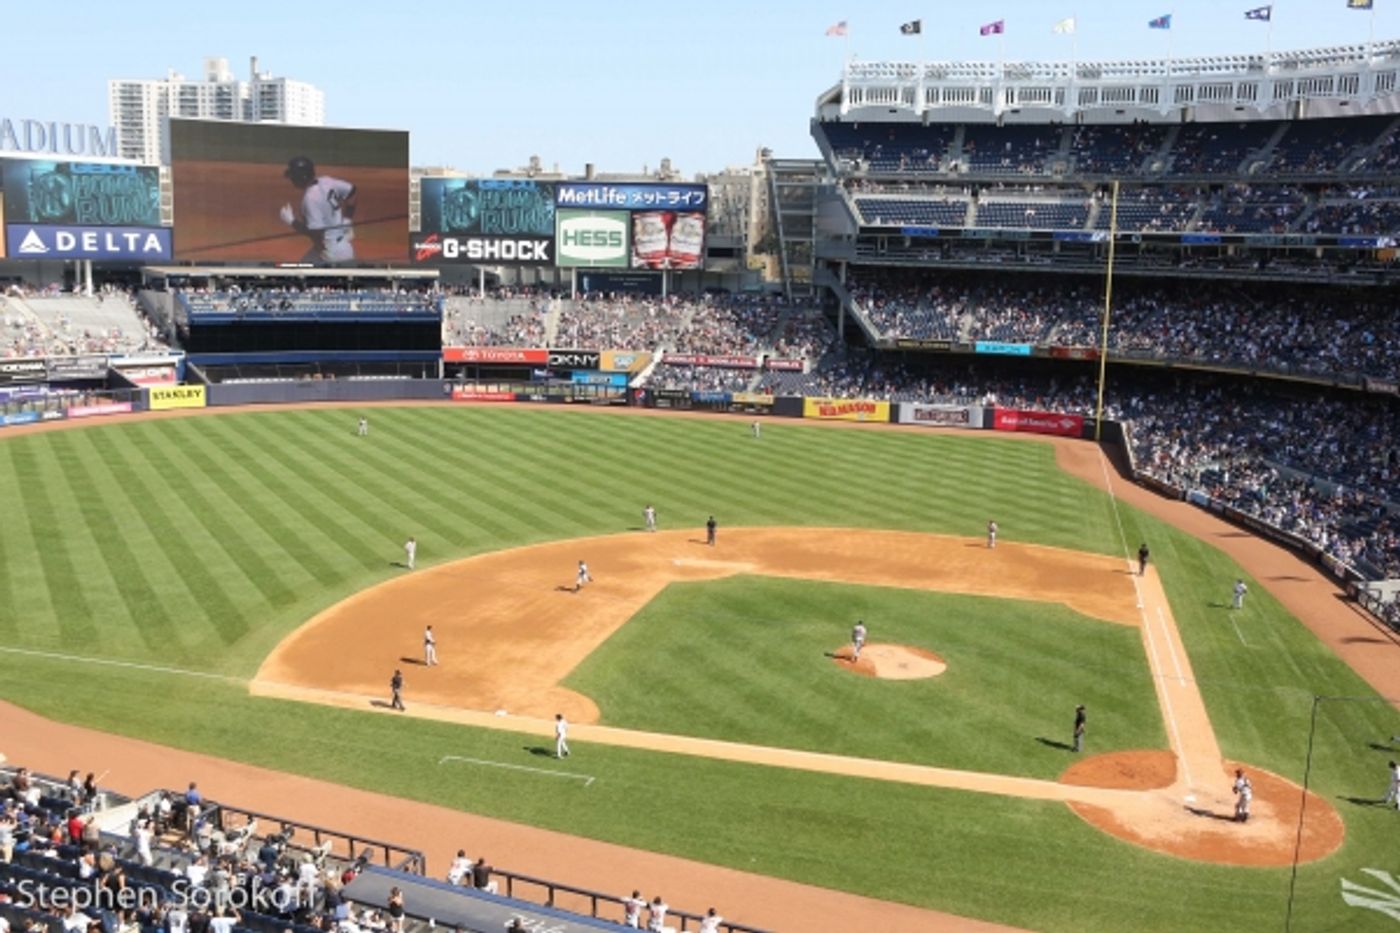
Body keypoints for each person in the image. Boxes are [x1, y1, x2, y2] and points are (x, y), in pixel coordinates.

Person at [280, 156, 357, 264]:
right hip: (343, 243)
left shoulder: (310, 199)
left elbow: (316, 234)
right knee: (304, 264)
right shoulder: (327, 181)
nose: (292, 179)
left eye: (294, 176)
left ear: (301, 177)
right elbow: (352, 191)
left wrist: (292, 221)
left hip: (332, 252)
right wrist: (348, 219)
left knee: (307, 275)